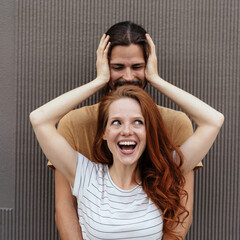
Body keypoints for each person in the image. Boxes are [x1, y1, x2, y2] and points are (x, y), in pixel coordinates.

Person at [30, 29, 224, 239]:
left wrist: (156, 79)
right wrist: (99, 80)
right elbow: (39, 119)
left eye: (138, 122)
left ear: (150, 131)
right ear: (103, 132)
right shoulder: (87, 177)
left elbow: (213, 120)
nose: (127, 131)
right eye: (116, 122)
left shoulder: (160, 176)